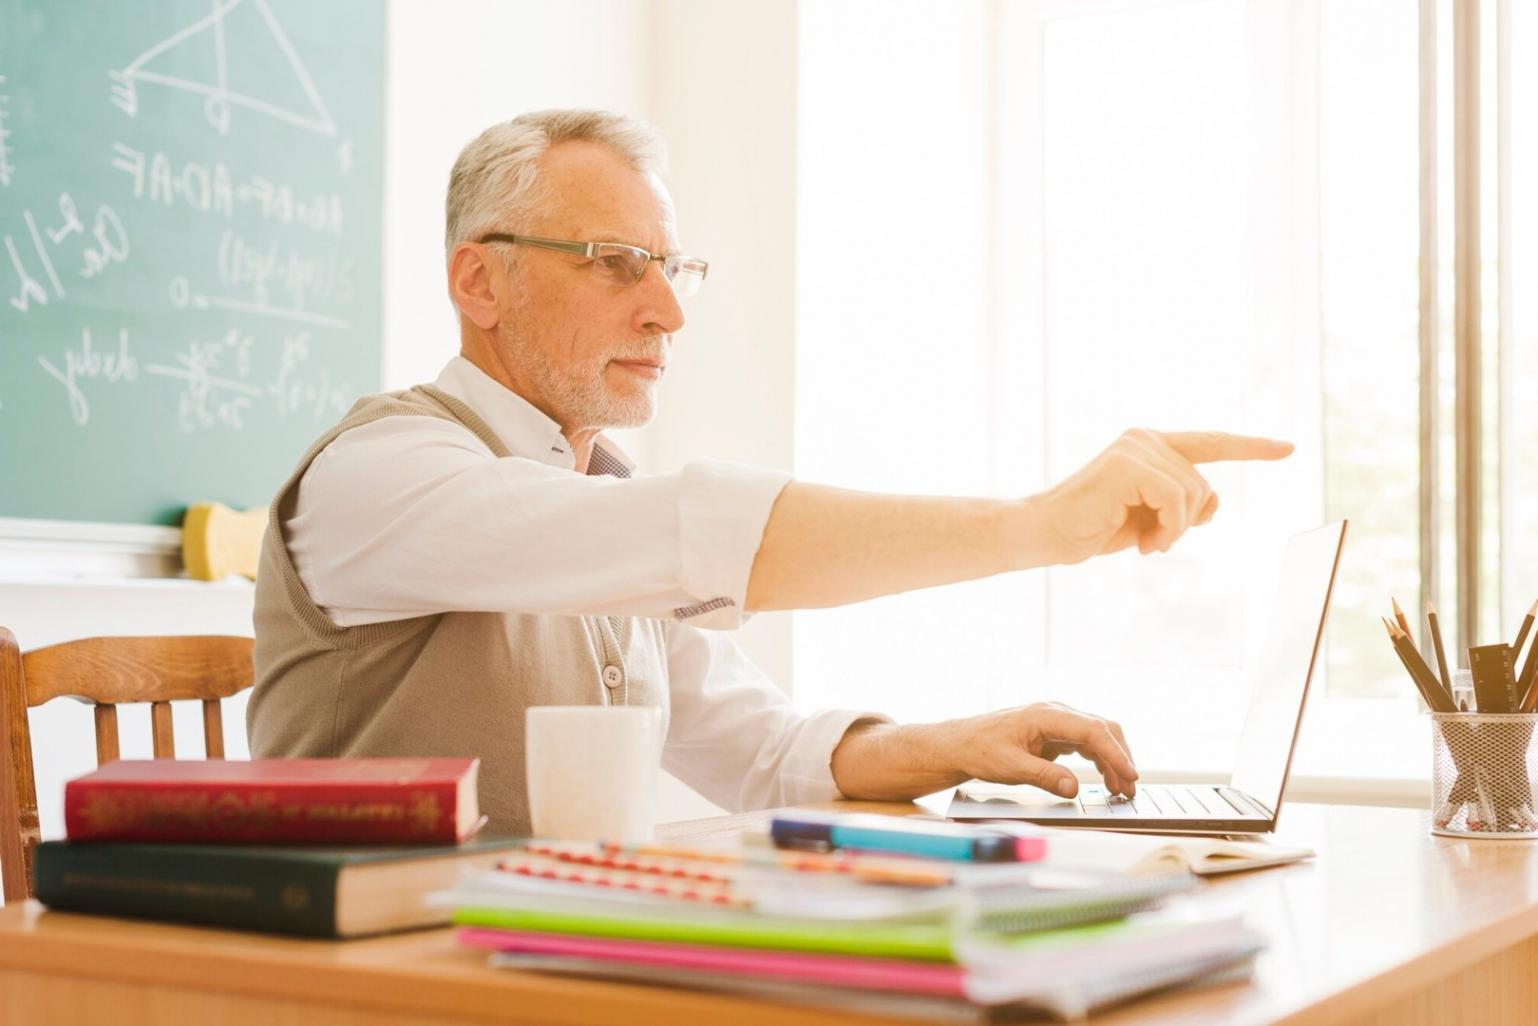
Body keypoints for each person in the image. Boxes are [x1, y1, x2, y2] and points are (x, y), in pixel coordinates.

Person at [247, 109, 1293, 833]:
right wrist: (1035, 524)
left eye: (672, 268)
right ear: (479, 278)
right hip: (366, 988)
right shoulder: (380, 475)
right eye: (615, 263)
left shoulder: (595, 497)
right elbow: (694, 527)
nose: (667, 311)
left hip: (532, 966)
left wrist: (956, 744)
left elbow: (756, 749)